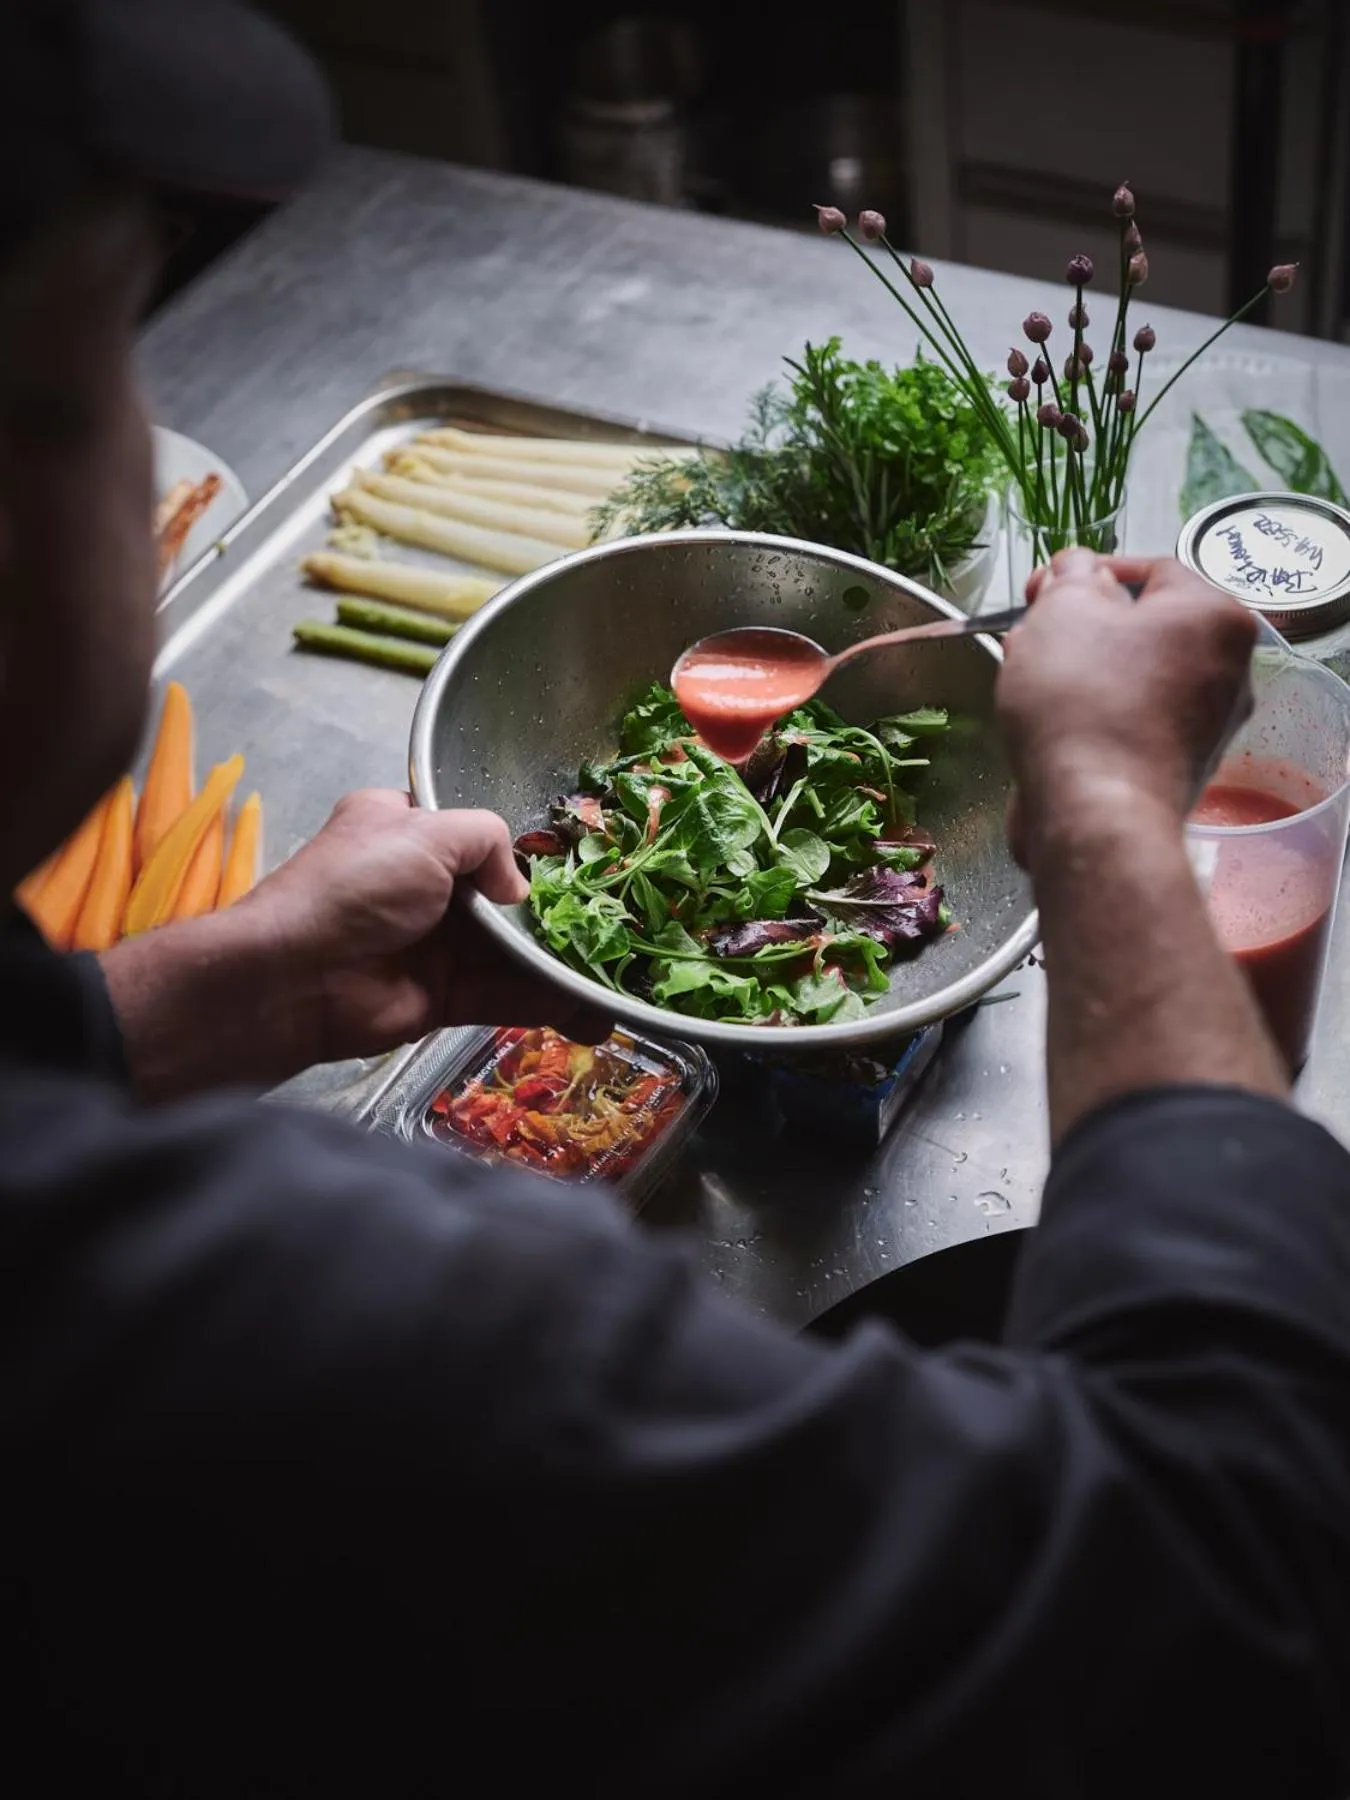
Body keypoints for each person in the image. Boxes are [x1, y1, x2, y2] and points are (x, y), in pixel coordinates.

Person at [4, 4, 1350, 1796]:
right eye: (113, 364)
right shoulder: (280, 1321)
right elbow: (1227, 1590)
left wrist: (180, 1011)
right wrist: (1101, 798)